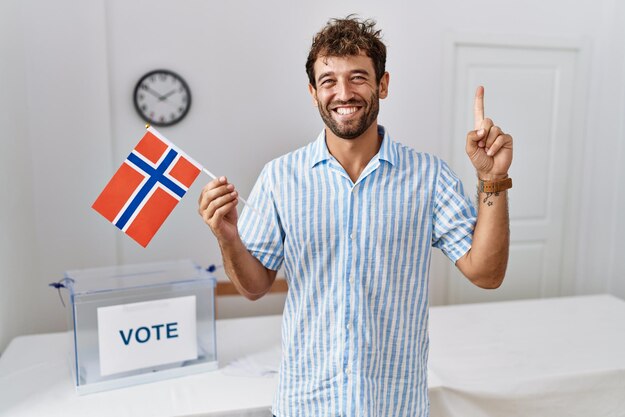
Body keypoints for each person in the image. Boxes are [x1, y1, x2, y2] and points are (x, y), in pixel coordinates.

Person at [198, 15, 513, 417]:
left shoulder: (428, 176)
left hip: (394, 404)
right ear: (313, 92)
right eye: (328, 80)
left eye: (358, 77)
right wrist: (228, 237)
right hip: (304, 403)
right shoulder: (280, 177)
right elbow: (255, 285)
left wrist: (493, 178)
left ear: (383, 84)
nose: (343, 93)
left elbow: (486, 274)